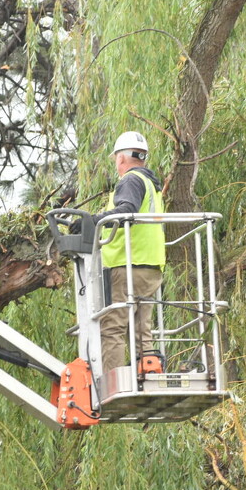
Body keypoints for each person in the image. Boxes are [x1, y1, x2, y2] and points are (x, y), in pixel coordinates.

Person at [93, 131, 166, 373]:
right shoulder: (151, 185)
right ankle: (147, 374)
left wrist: (94, 221)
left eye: (116, 158)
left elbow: (126, 209)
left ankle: (112, 382)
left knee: (113, 326)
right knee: (140, 327)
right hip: (151, 266)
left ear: (122, 159)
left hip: (128, 264)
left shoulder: (131, 180)